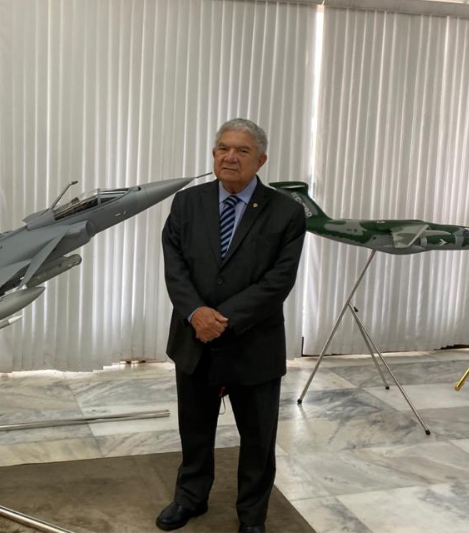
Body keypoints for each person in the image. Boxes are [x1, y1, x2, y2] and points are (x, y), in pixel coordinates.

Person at [157, 119, 306, 533]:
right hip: (194, 338)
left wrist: (222, 320)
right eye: (223, 148)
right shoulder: (187, 203)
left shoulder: (287, 212)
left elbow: (279, 280)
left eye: (242, 150)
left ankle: (252, 517)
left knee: (257, 439)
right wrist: (195, 313)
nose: (230, 157)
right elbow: (174, 263)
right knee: (194, 429)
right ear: (213, 154)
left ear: (261, 160)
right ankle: (190, 498)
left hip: (253, 343)